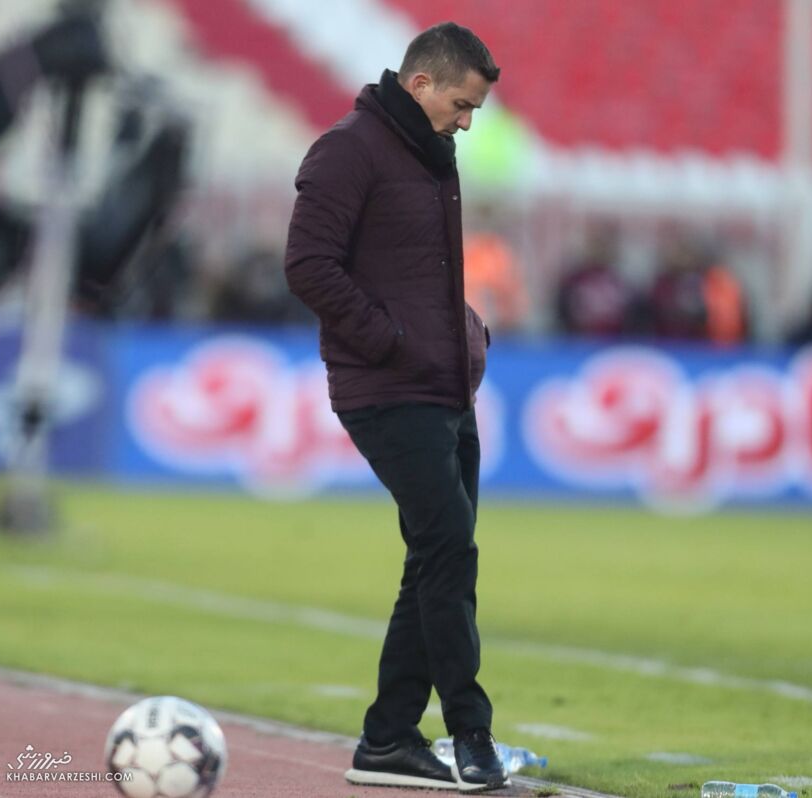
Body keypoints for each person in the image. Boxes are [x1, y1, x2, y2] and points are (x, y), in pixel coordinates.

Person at [284, 23, 507, 792]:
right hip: (388, 388)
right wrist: (393, 341)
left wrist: (463, 334)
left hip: (445, 387)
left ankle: (387, 740)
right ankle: (470, 731)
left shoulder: (425, 150)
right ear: (420, 84)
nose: (466, 122)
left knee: (436, 555)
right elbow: (308, 265)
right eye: (461, 104)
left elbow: (420, 271)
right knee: (449, 547)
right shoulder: (349, 150)